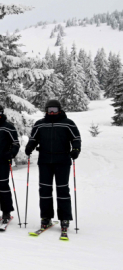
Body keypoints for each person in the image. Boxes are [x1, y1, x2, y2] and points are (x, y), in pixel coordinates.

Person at [25, 99, 81, 234]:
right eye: (49, 110)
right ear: (46, 110)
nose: (52, 112)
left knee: (62, 190)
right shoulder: (40, 124)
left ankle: (64, 219)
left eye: (54, 110)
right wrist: (29, 147)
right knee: (44, 190)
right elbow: (33, 138)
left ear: (59, 110)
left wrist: (76, 150)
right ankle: (46, 217)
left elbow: (76, 138)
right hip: (44, 161)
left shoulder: (68, 123)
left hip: (62, 160)